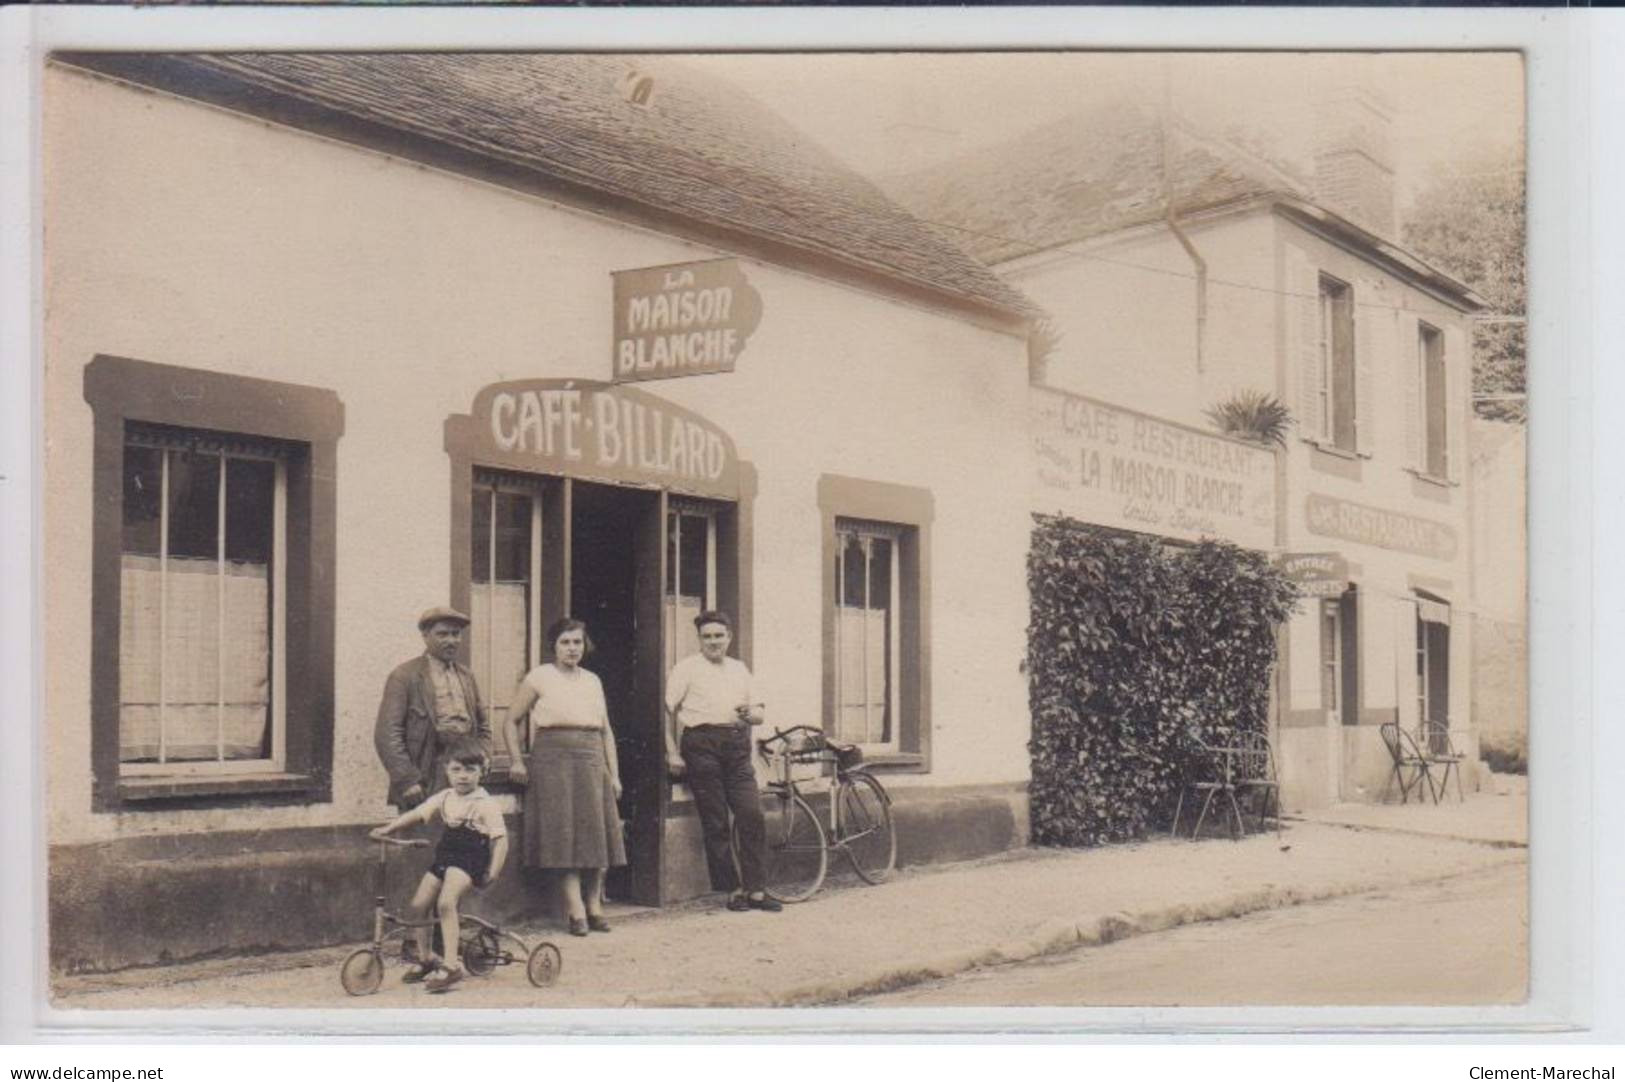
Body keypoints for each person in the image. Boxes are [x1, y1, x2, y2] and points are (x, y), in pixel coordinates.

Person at [505, 617, 626, 937]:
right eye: (565, 642)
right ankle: (575, 911)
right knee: (565, 834)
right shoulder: (539, 677)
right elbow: (511, 720)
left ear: (585, 646)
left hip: (590, 757)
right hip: (553, 760)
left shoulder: (592, 680)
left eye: (577, 642)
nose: (572, 649)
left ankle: (595, 905)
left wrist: (614, 774)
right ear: (554, 646)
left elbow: (606, 731)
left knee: (597, 832)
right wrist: (517, 760)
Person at [370, 737, 508, 994]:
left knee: (446, 903)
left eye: (470, 770)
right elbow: (418, 813)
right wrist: (388, 827)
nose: (463, 777)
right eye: (456, 770)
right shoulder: (445, 797)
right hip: (445, 858)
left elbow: (501, 841)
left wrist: (494, 871)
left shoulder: (485, 804)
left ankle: (452, 965)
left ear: (483, 771)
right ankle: (426, 959)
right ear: (446, 770)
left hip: (470, 860)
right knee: (418, 905)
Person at [665, 610, 781, 913]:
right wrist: (672, 752)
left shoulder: (739, 669)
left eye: (719, 636)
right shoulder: (686, 668)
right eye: (707, 637)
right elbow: (665, 711)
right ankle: (733, 889)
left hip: (737, 745)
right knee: (715, 820)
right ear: (700, 640)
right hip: (701, 745)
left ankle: (757, 890)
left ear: (729, 637)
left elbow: (759, 713)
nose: (713, 641)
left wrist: (751, 713)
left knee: (751, 814)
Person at [374, 606, 492, 811]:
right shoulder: (405, 676)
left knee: (461, 833)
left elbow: (483, 726)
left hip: (463, 768)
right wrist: (407, 779)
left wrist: (483, 756)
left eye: (456, 634)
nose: (451, 641)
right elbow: (387, 734)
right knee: (423, 836)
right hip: (426, 769)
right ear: (425, 636)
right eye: (442, 634)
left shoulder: (466, 676)